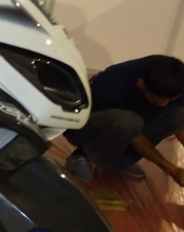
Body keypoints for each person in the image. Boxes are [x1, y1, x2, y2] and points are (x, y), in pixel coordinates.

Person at [64, 55, 184, 185]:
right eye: (157, 100)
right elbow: (136, 137)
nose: (164, 104)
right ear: (141, 84)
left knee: (178, 115)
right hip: (83, 125)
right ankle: (82, 155)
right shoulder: (114, 86)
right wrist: (172, 170)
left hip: (129, 119)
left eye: (169, 99)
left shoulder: (175, 78)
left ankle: (121, 160)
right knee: (130, 123)